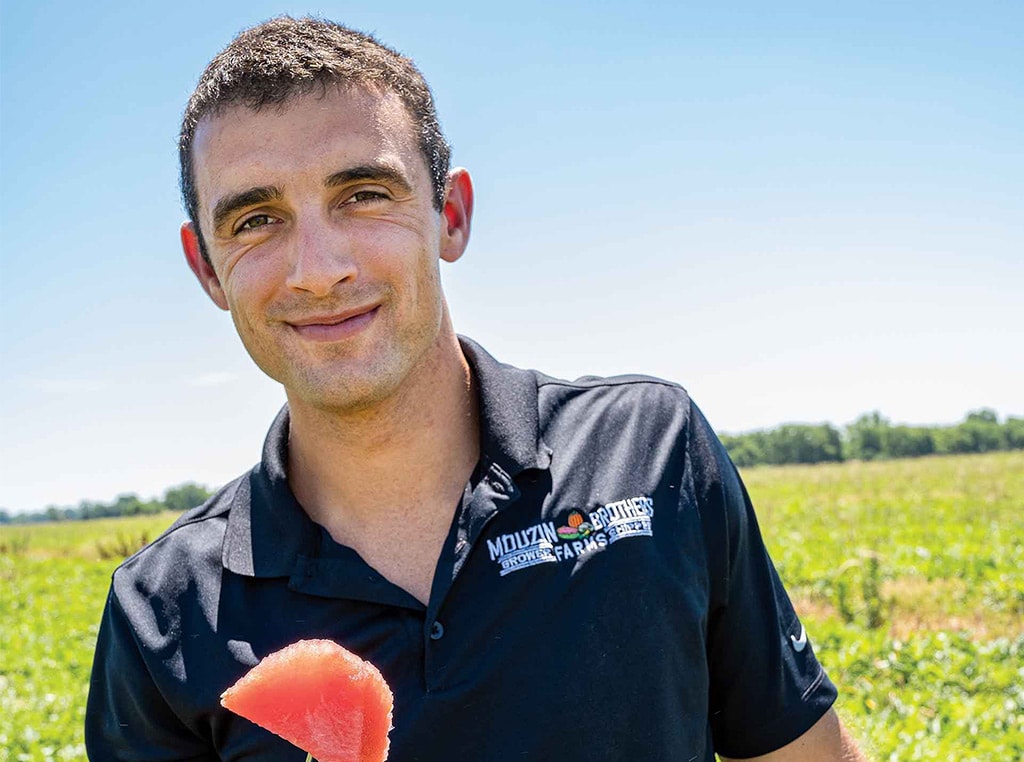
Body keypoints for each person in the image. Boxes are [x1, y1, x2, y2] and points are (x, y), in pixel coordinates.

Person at [86, 16, 865, 761]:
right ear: (206, 270)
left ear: (449, 214)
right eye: (256, 220)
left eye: (363, 194)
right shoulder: (164, 612)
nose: (319, 269)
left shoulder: (650, 450)